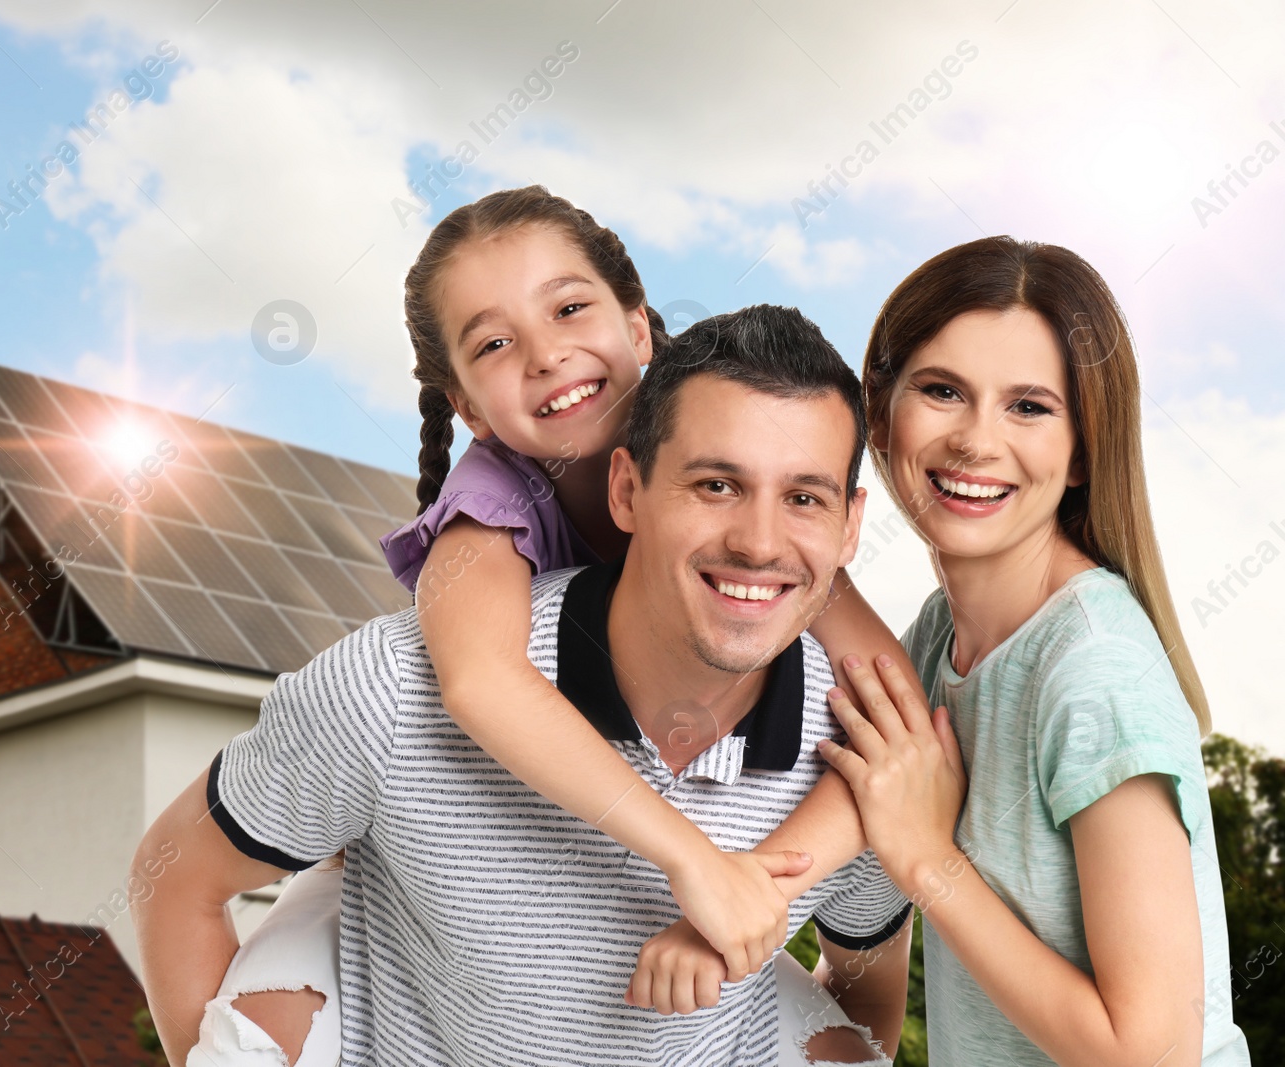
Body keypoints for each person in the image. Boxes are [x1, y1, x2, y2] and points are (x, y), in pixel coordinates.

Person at [205, 186, 916, 1064]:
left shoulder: (756, 498)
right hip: (394, 883)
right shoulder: (488, 517)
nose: (546, 355)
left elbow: (911, 734)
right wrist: (693, 861)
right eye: (495, 343)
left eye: (570, 308)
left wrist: (750, 890)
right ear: (464, 405)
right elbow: (481, 683)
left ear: (640, 329)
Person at [807, 237, 1251, 1064]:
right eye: (942, 391)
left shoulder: (1092, 671)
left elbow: (1151, 1052)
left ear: (1083, 448)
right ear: (881, 413)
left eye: (1029, 406)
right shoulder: (943, 633)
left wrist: (928, 860)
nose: (976, 440)